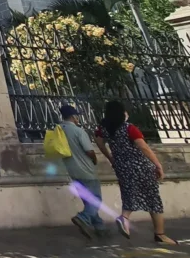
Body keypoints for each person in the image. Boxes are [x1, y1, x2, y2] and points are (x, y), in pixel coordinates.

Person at [95, 100, 176, 244]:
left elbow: (99, 143)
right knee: (153, 198)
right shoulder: (129, 128)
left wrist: (111, 158)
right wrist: (157, 164)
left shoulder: (103, 129)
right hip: (140, 166)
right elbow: (144, 147)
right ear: (122, 113)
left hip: (121, 167)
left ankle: (124, 217)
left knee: (129, 193)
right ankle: (160, 234)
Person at [59, 104, 104, 239]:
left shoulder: (58, 130)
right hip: (86, 170)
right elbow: (89, 151)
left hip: (72, 170)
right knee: (96, 200)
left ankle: (100, 228)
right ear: (73, 117)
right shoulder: (78, 131)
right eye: (77, 116)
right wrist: (94, 160)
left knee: (88, 200)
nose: (78, 118)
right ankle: (82, 217)